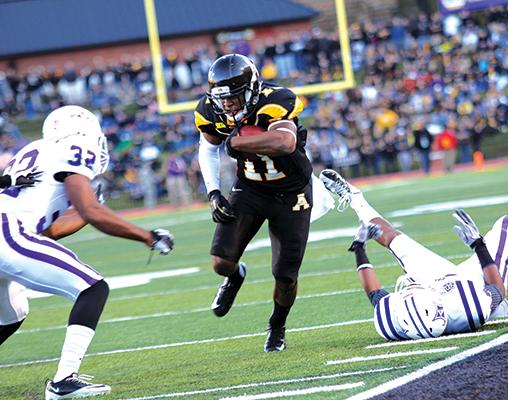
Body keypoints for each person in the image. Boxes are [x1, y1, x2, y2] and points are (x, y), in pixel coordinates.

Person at [0, 106, 175, 399]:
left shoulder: (35, 150)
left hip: (10, 234)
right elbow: (91, 211)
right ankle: (64, 381)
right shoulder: (75, 146)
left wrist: (87, 211)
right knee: (92, 288)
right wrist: (146, 236)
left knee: (11, 314)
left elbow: (48, 232)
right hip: (8, 233)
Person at [319, 169, 508, 340]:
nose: (408, 289)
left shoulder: (395, 320)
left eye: (409, 293)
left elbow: (374, 294)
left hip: (436, 285)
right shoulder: (465, 309)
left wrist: (358, 248)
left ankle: (355, 198)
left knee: (390, 237)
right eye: (412, 292)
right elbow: (497, 288)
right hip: (475, 283)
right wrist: (478, 245)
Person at [195, 54, 323, 352]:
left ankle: (277, 326)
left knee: (285, 275)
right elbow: (207, 149)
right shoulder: (210, 111)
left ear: (251, 88)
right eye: (221, 97)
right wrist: (214, 191)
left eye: (233, 96)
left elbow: (284, 143)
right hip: (251, 189)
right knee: (220, 261)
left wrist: (237, 143)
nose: (226, 104)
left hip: (292, 193)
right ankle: (235, 276)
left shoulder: (276, 100)